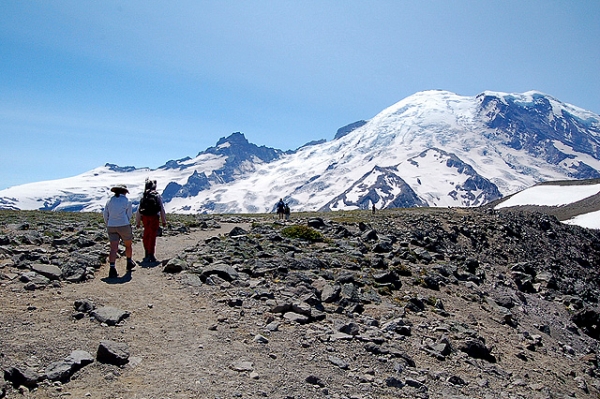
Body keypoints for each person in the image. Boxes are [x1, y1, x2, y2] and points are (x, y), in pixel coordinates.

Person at [103, 184, 135, 278]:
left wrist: (108, 223)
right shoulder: (127, 201)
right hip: (124, 225)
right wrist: (126, 222)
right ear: (125, 192)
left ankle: (112, 268)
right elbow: (129, 215)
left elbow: (105, 214)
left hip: (111, 225)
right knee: (128, 245)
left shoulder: (110, 201)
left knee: (113, 248)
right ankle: (129, 262)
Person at [136, 179, 167, 264]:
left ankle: (146, 252)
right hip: (154, 217)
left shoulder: (144, 195)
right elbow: (161, 208)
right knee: (152, 235)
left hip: (145, 218)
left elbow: (139, 210)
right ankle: (151, 254)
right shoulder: (156, 195)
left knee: (146, 234)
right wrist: (164, 220)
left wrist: (137, 222)